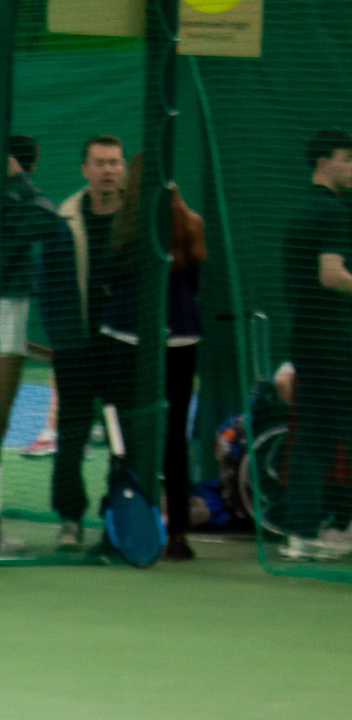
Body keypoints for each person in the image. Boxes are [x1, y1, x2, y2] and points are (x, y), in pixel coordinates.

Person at [35, 136, 141, 552]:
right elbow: (48, 288)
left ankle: (118, 518)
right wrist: (64, 341)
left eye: (114, 163)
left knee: (124, 439)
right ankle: (69, 518)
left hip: (123, 349)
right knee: (72, 434)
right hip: (76, 350)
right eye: (99, 163)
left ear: (124, 169)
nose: (108, 171)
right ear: (85, 170)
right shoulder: (64, 221)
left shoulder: (140, 220)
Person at [122, 161, 209, 559]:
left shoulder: (129, 224)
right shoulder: (192, 223)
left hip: (136, 338)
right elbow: (195, 284)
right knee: (174, 434)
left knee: (134, 430)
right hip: (184, 336)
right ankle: (177, 535)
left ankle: (132, 526)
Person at [279, 130, 352, 561]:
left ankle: (300, 533)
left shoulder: (302, 211)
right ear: (324, 163)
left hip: (306, 341)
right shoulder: (332, 212)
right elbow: (332, 275)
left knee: (314, 435)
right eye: (347, 159)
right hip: (334, 342)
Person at [0, 136, 56, 451]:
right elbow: (47, 219)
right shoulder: (16, 202)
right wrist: (19, 179)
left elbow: (44, 221)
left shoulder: (14, 203)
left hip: (4, 307)